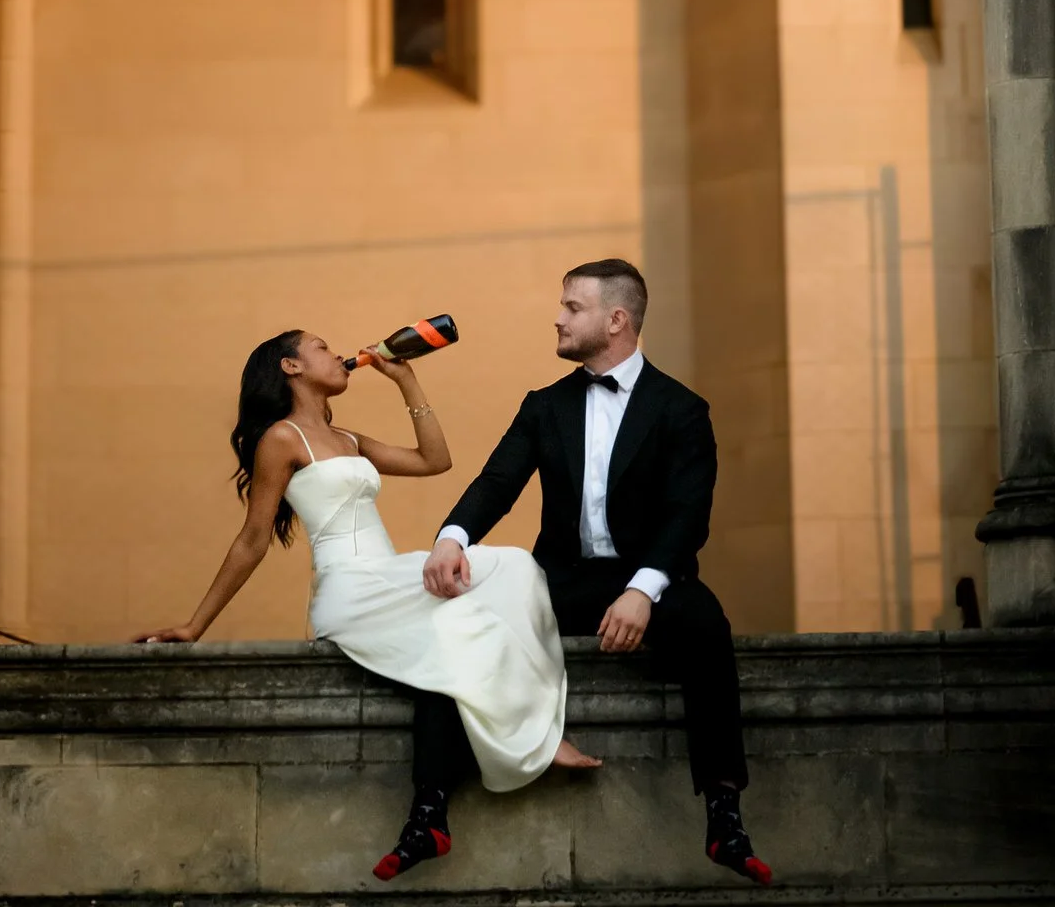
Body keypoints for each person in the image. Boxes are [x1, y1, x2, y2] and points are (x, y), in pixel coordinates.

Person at [137, 327, 600, 879]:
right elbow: (252, 539)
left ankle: (468, 785)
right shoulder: (282, 440)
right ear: (291, 367)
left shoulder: (350, 440)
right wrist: (195, 625)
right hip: (349, 590)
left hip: (390, 574)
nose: (337, 354)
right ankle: (537, 742)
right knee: (464, 619)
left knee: (517, 566)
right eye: (320, 348)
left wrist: (406, 380)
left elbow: (436, 460)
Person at [420, 259, 771, 886]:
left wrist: (642, 591)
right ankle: (429, 808)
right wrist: (452, 537)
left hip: (652, 580)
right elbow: (497, 483)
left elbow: (688, 516)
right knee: (457, 616)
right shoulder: (544, 406)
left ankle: (724, 814)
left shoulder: (681, 409)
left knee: (706, 626)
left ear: (616, 320)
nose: (557, 318)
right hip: (560, 579)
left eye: (571, 308)